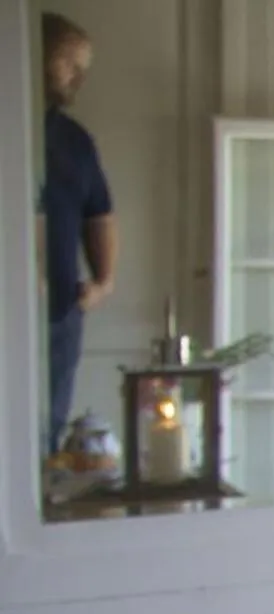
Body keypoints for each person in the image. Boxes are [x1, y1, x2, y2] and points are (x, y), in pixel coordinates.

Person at [39, 11, 113, 457]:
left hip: (60, 314)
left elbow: (101, 215)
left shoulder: (74, 141)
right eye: (70, 62)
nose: (80, 76)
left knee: (47, 432)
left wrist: (103, 284)